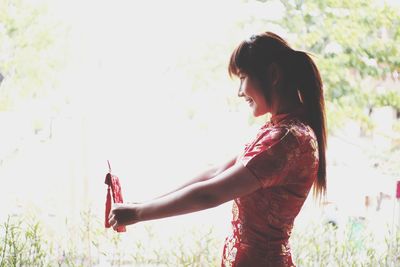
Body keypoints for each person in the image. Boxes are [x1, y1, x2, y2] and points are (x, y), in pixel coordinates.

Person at [108, 31, 327, 267]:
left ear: (273, 75)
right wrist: (139, 206)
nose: (240, 91)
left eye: (243, 77)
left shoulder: (286, 140)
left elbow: (210, 194)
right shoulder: (282, 132)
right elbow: (215, 173)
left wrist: (139, 215)